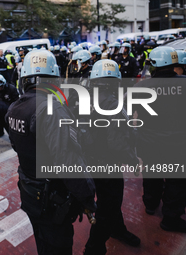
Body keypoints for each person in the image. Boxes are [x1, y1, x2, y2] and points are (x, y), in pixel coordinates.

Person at [6, 49, 96, 255]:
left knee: (42, 241)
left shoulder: (14, 108)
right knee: (57, 246)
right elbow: (69, 162)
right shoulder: (52, 109)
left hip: (29, 191)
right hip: (52, 198)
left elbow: (16, 145)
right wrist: (88, 197)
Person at [84, 59, 142, 255]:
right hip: (108, 165)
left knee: (108, 204)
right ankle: (93, 249)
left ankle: (118, 230)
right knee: (107, 209)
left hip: (89, 163)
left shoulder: (82, 98)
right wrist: (133, 159)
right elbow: (119, 141)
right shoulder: (114, 104)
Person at [133, 46, 186, 233]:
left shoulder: (142, 86)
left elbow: (132, 115)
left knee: (152, 174)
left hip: (149, 142)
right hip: (178, 144)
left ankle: (150, 204)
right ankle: (170, 218)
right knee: (176, 181)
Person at [0, 74, 19, 138]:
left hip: (11, 108)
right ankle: (0, 132)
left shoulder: (11, 89)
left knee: (8, 124)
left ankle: (13, 136)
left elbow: (17, 101)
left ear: (3, 85)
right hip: (1, 109)